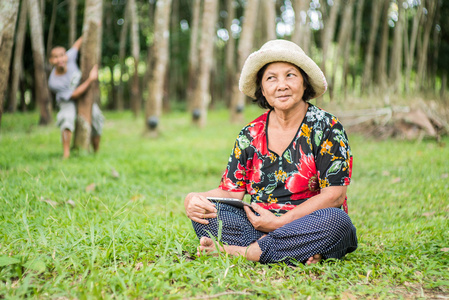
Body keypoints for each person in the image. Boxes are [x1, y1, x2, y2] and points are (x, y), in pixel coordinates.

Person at [184, 39, 358, 265]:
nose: (281, 85)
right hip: (257, 225)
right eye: (271, 78)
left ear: (304, 83)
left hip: (311, 223)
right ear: (263, 90)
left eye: (290, 75)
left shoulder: (327, 127)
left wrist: (279, 223)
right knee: (207, 213)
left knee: (338, 223)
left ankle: (244, 252)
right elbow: (232, 192)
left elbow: (334, 196)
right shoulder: (249, 134)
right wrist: (193, 199)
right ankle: (296, 251)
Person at [48, 37, 104, 159]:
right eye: (56, 57)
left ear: (66, 56)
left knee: (97, 117)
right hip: (67, 101)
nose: (60, 60)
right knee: (66, 118)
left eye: (62, 55)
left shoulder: (71, 57)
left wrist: (88, 32)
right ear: (51, 60)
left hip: (83, 97)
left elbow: (77, 44)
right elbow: (74, 94)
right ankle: (66, 154)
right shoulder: (53, 81)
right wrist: (90, 79)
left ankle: (96, 152)